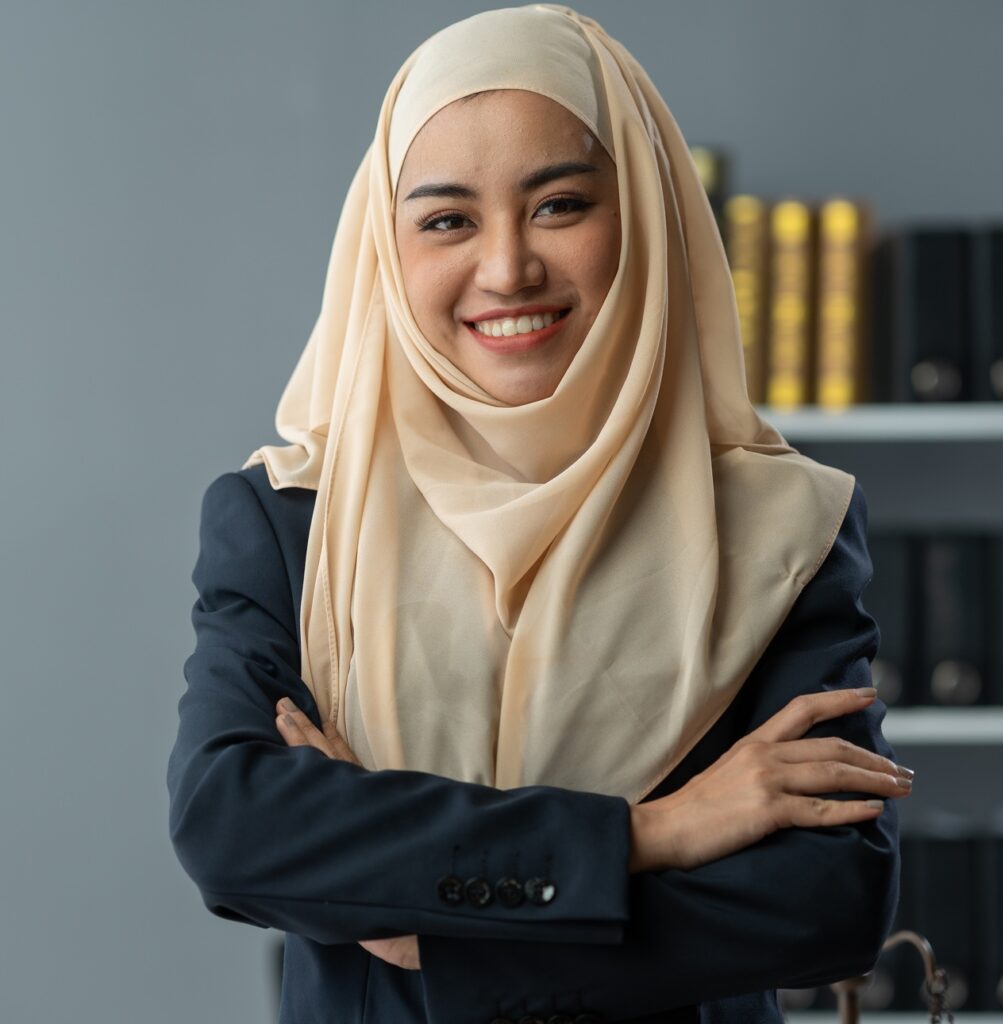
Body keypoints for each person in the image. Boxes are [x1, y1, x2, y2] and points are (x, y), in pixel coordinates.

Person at [166, 5, 909, 1023]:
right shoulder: (292, 519)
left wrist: (421, 928)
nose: (507, 267)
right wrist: (655, 833)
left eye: (559, 204)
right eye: (446, 219)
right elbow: (232, 828)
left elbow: (822, 903)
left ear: (641, 212)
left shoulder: (780, 529)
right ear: (388, 249)